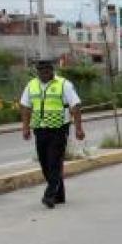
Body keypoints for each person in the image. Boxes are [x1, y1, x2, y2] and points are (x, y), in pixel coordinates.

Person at [20, 59, 85, 209]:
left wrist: (78, 128)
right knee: (45, 163)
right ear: (37, 72)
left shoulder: (64, 84)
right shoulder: (32, 85)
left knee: (54, 161)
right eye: (41, 71)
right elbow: (25, 106)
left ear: (52, 70)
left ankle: (49, 195)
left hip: (59, 128)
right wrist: (25, 127)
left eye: (47, 71)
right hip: (40, 129)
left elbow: (75, 106)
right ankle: (59, 195)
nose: (44, 73)